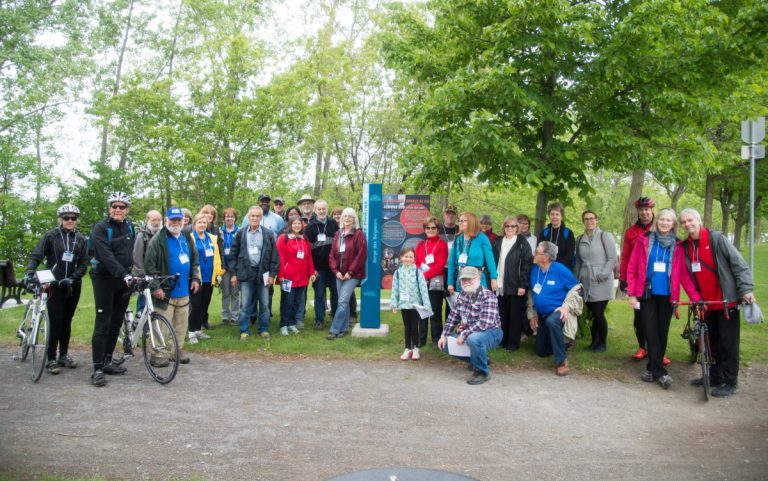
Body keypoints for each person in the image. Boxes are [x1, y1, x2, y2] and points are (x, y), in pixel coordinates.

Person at [673, 208, 756, 397]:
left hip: (727, 302)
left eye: (690, 220)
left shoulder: (716, 239)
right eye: (684, 222)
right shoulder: (686, 247)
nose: (687, 224)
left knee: (729, 343)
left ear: (699, 220)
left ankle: (730, 381)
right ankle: (715, 376)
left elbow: (738, 263)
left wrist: (746, 289)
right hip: (706, 304)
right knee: (712, 343)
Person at [25, 204, 88, 374]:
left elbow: (83, 264)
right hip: (53, 284)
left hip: (72, 285)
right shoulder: (51, 236)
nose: (69, 221)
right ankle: (51, 357)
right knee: (55, 320)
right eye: (66, 218)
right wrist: (30, 271)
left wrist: (73, 278)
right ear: (60, 219)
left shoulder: (81, 239)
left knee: (67, 321)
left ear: (76, 220)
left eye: (73, 218)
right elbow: (37, 255)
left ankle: (64, 355)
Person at [626, 208, 679, 389]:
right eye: (662, 219)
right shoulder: (645, 241)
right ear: (657, 221)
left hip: (667, 295)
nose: (664, 223)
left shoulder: (678, 245)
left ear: (673, 224)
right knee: (650, 330)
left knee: (662, 332)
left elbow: (685, 274)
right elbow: (632, 267)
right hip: (647, 293)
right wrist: (632, 294)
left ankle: (651, 369)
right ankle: (661, 373)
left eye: (668, 220)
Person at [88, 192, 136, 387]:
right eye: (114, 206)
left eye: (122, 206)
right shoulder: (101, 228)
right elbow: (105, 254)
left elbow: (132, 251)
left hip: (123, 280)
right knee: (103, 322)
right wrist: (121, 273)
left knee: (116, 321)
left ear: (126, 210)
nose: (118, 209)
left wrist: (133, 272)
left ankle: (108, 360)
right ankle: (97, 367)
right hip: (104, 279)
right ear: (110, 208)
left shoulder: (129, 227)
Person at [144, 207, 201, 366]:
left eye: (178, 220)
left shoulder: (187, 238)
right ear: (166, 221)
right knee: (161, 325)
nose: (175, 223)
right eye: (172, 220)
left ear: (183, 221)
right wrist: (156, 287)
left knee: (181, 325)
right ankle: (157, 353)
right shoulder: (157, 240)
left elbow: (194, 260)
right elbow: (149, 266)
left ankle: (175, 350)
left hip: (183, 290)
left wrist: (195, 278)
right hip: (165, 292)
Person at [437, 266, 502, 385]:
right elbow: (453, 317)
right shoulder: (462, 295)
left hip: (492, 332)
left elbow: (485, 323)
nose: (466, 282)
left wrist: (465, 334)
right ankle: (481, 360)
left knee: (473, 339)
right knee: (445, 344)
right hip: (472, 332)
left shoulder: (488, 295)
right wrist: (444, 335)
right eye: (463, 279)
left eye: (470, 279)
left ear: (478, 278)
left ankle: (482, 372)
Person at [527, 241, 581, 376]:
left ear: (546, 257)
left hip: (558, 312)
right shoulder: (535, 270)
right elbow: (532, 294)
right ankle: (562, 343)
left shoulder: (560, 270)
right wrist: (532, 314)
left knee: (552, 321)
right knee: (541, 352)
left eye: (537, 252)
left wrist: (566, 307)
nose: (534, 254)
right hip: (542, 314)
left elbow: (577, 289)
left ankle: (562, 361)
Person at [230, 206, 280, 341]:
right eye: (252, 216)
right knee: (245, 305)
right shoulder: (240, 234)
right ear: (248, 217)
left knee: (264, 304)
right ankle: (244, 331)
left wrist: (272, 275)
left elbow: (275, 257)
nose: (255, 218)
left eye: (257, 216)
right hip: (246, 273)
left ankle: (263, 330)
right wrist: (234, 274)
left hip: (263, 273)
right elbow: (233, 255)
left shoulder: (268, 234)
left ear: (261, 218)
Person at [574, 210, 617, 352]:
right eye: (586, 219)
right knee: (591, 313)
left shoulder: (605, 236)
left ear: (596, 220)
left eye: (592, 218)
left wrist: (603, 274)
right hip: (586, 280)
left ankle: (602, 342)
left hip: (601, 280)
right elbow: (579, 262)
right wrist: (577, 279)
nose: (589, 221)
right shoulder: (579, 239)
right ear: (583, 221)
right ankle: (594, 342)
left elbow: (612, 258)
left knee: (599, 313)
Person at [620, 196, 655, 361]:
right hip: (638, 282)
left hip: (657, 281)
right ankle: (642, 347)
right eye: (641, 210)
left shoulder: (661, 227)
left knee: (658, 317)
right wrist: (623, 278)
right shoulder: (631, 232)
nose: (644, 213)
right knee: (639, 316)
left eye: (647, 209)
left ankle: (659, 350)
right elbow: (626, 257)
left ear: (652, 210)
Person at [492, 215, 533, 352]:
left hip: (516, 286)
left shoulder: (522, 243)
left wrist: (522, 285)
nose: (509, 228)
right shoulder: (497, 241)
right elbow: (492, 262)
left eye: (513, 226)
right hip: (499, 284)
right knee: (501, 315)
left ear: (517, 228)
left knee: (514, 316)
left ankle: (513, 344)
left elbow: (527, 265)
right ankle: (502, 341)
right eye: (507, 226)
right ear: (503, 227)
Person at [327, 208, 367, 340]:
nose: (347, 218)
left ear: (354, 219)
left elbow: (361, 256)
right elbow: (332, 255)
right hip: (339, 274)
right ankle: (344, 329)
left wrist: (350, 272)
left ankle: (334, 329)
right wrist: (336, 271)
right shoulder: (338, 234)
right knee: (342, 301)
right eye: (345, 216)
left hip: (353, 275)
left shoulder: (358, 234)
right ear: (342, 218)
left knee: (343, 301)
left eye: (350, 216)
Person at [188, 213, 224, 344]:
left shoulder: (211, 238)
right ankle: (191, 332)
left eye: (204, 223)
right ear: (195, 224)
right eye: (199, 223)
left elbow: (217, 256)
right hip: (197, 278)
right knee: (196, 305)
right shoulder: (190, 238)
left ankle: (198, 329)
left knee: (204, 305)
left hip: (210, 277)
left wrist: (219, 272)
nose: (202, 225)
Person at [276, 217, 316, 335]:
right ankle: (284, 324)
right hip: (288, 277)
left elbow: (309, 258)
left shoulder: (305, 239)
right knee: (287, 302)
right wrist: (281, 275)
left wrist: (312, 273)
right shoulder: (283, 238)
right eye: (295, 223)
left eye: (299, 223)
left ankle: (292, 324)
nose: (297, 225)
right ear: (290, 225)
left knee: (297, 302)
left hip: (302, 278)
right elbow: (280, 258)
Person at [391, 247, 431, 361]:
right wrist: (394, 304)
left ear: (414, 259)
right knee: (407, 327)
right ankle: (407, 348)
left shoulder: (418, 272)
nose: (408, 259)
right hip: (404, 305)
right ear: (401, 257)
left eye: (411, 257)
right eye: (406, 256)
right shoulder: (397, 273)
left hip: (415, 305)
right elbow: (395, 289)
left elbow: (423, 289)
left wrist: (427, 305)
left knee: (414, 327)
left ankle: (416, 348)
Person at [414, 216, 448, 348]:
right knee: (422, 312)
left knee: (435, 311)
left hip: (436, 282)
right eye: (427, 228)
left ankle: (436, 338)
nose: (430, 230)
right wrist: (420, 275)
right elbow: (417, 263)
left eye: (433, 227)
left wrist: (424, 275)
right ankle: (421, 339)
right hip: (422, 281)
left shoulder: (442, 245)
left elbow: (440, 266)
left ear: (438, 229)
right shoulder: (421, 245)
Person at [305, 199, 339, 329]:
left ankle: (336, 317)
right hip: (318, 267)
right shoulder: (310, 227)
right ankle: (319, 320)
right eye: (319, 209)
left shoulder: (333, 224)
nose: (321, 211)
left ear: (327, 209)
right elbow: (308, 251)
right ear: (315, 211)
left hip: (333, 267)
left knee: (335, 292)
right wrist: (312, 269)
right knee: (319, 294)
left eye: (324, 209)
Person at [446, 212, 498, 295]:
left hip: (478, 280)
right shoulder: (458, 239)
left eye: (463, 221)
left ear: (471, 222)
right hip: (462, 281)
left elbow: (490, 260)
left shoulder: (482, 238)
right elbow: (451, 263)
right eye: (459, 220)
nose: (460, 223)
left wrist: (493, 278)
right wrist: (450, 283)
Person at [538, 202, 575, 270]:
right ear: (549, 216)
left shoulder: (568, 233)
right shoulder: (544, 233)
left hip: (562, 269)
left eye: (557, 214)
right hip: (546, 269)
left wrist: (557, 266)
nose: (554, 217)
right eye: (552, 214)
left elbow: (570, 254)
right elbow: (539, 252)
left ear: (562, 216)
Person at [220, 208, 240, 326]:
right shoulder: (219, 232)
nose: (229, 218)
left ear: (235, 218)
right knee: (225, 292)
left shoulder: (239, 231)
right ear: (224, 218)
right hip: (224, 267)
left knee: (235, 292)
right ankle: (225, 316)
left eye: (232, 216)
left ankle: (234, 316)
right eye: (227, 216)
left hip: (236, 267)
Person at [133, 210, 162, 277]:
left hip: (159, 275)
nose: (157, 222)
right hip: (146, 276)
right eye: (154, 220)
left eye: (159, 220)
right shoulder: (141, 236)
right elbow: (137, 258)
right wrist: (141, 275)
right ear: (147, 220)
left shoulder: (161, 235)